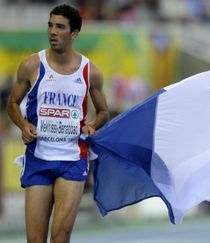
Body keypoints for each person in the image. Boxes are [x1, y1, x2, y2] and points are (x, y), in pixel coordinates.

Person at [7, 4, 109, 243]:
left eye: (60, 27)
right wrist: (23, 125)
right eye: (50, 25)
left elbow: (103, 112)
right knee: (35, 239)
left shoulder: (90, 72)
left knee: (60, 237)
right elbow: (12, 103)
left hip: (72, 159)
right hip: (39, 158)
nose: (53, 31)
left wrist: (92, 125)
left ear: (74, 34)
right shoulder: (32, 65)